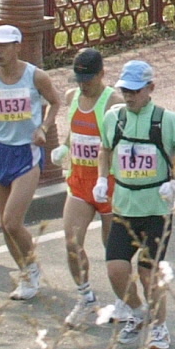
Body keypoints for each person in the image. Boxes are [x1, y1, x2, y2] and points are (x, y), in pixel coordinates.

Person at [92, 59, 175, 349]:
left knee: (148, 273)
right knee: (115, 269)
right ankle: (138, 312)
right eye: (125, 90)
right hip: (124, 209)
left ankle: (160, 327)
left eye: (136, 91)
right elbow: (105, 148)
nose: (129, 96)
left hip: (155, 211)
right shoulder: (114, 118)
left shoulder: (168, 121)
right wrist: (102, 179)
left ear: (150, 88)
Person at [0, 23, 59, 300]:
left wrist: (43, 128)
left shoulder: (35, 76)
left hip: (26, 152)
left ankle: (31, 268)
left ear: (16, 47)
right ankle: (25, 272)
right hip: (0, 150)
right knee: (3, 223)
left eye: (3, 46)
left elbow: (55, 102)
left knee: (12, 222)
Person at [59, 48, 117, 326]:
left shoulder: (113, 102)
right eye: (79, 79)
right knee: (72, 243)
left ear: (102, 74)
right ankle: (85, 297)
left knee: (114, 250)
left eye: (89, 79)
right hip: (79, 182)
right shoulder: (72, 97)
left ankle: (123, 300)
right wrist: (64, 146)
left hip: (109, 184)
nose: (83, 85)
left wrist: (108, 178)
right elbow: (75, 128)